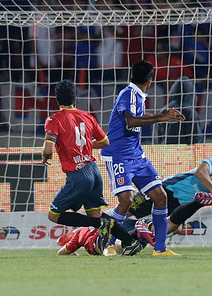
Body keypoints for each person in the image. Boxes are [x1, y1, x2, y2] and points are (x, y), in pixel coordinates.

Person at [42, 80, 142, 256]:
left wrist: (45, 156)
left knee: (53, 215)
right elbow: (105, 141)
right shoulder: (87, 116)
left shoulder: (54, 120)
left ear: (57, 100)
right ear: (75, 99)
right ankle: (128, 241)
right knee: (96, 215)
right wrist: (85, 147)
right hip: (94, 171)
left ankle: (100, 226)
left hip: (79, 175)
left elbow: (48, 148)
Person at [101, 60, 186, 256]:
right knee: (126, 200)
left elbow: (137, 115)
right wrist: (160, 117)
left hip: (136, 156)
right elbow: (131, 121)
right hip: (119, 156)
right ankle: (109, 245)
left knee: (160, 195)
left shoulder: (137, 95)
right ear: (150, 80)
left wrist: (161, 115)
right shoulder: (128, 94)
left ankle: (160, 249)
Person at [154, 76, 203, 145]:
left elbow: (158, 137)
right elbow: (196, 138)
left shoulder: (164, 110)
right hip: (185, 153)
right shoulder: (189, 111)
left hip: (166, 152)